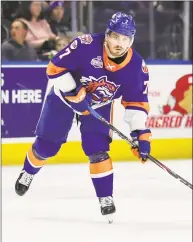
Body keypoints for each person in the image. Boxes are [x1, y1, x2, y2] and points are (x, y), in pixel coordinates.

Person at [15, 12, 152, 223]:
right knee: (46, 146)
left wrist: (140, 133)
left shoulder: (137, 67)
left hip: (99, 105)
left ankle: (106, 198)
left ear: (131, 40)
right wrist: (73, 92)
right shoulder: (86, 45)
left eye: (125, 38)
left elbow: (136, 103)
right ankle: (28, 172)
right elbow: (54, 68)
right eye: (115, 36)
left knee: (98, 150)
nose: (119, 43)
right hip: (64, 99)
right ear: (107, 35)